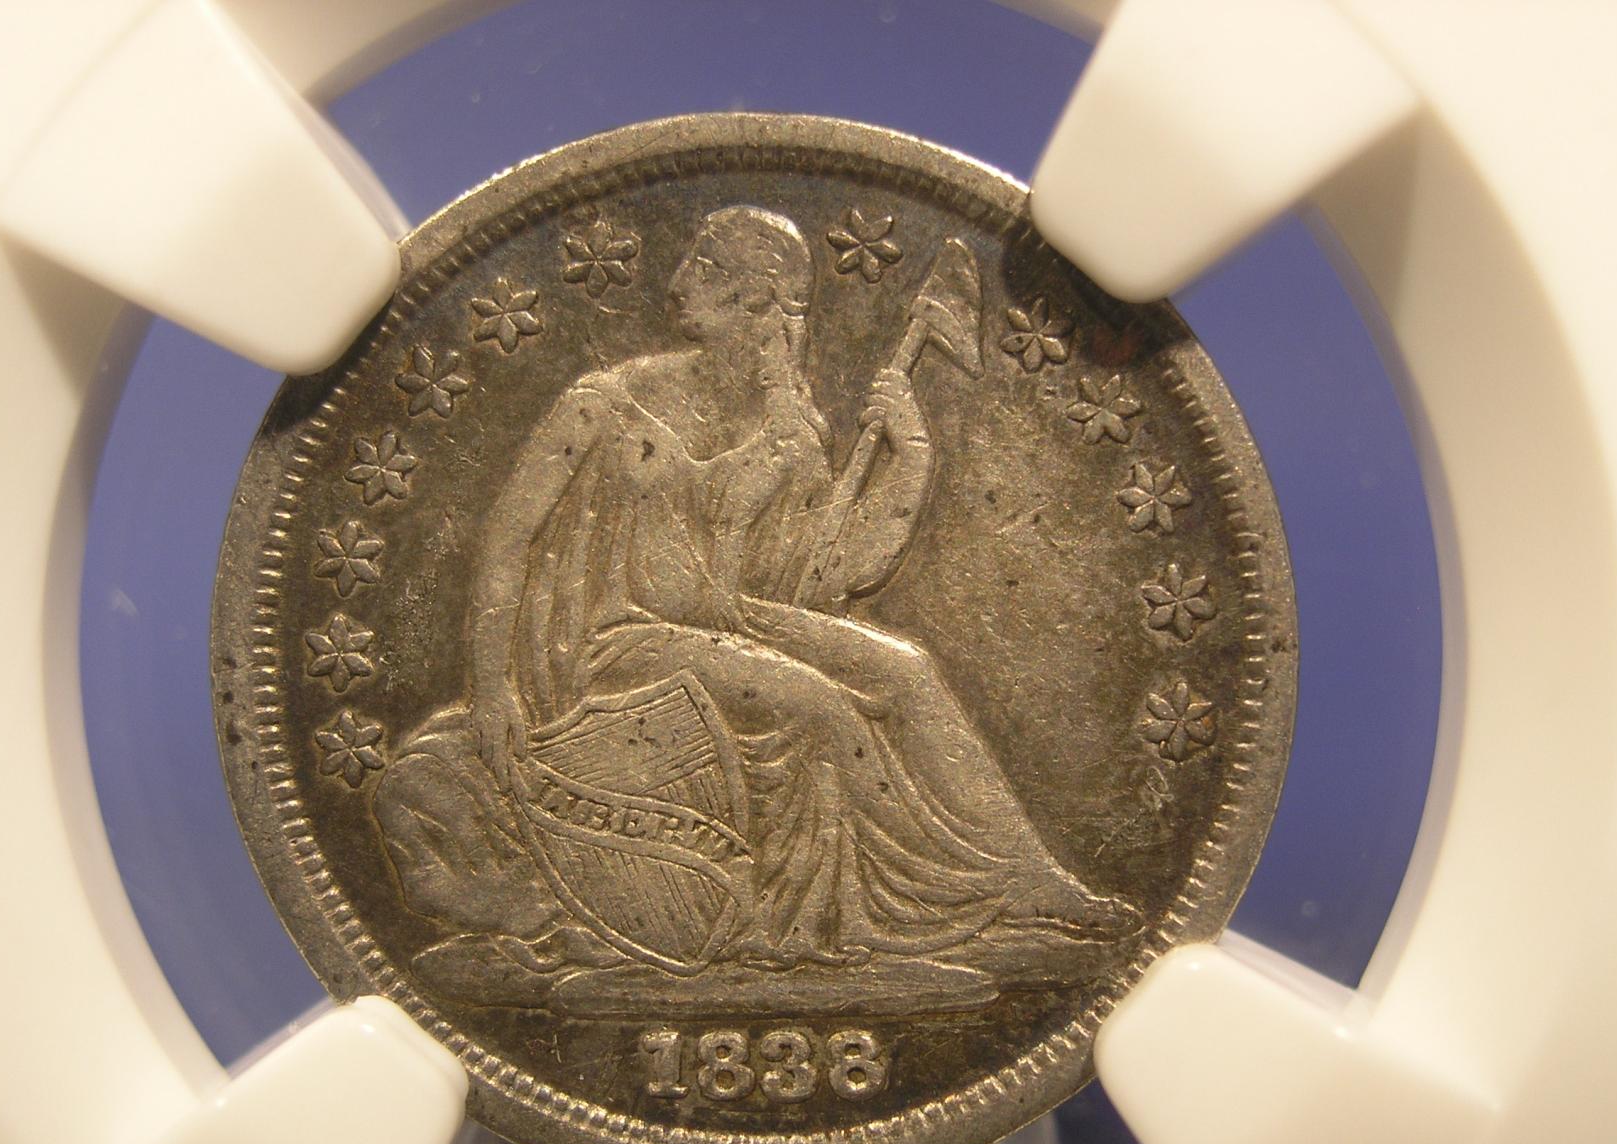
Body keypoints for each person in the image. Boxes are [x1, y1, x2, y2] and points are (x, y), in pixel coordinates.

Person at [374, 205, 1134, 982]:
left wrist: (910, 459)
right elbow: (508, 538)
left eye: (706, 267)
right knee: (817, 704)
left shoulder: (791, 431)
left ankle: (1027, 880)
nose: (679, 283)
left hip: (722, 625)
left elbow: (830, 578)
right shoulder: (601, 404)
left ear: (756, 299)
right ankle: (849, 918)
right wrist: (494, 686)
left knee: (905, 669)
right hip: (608, 644)